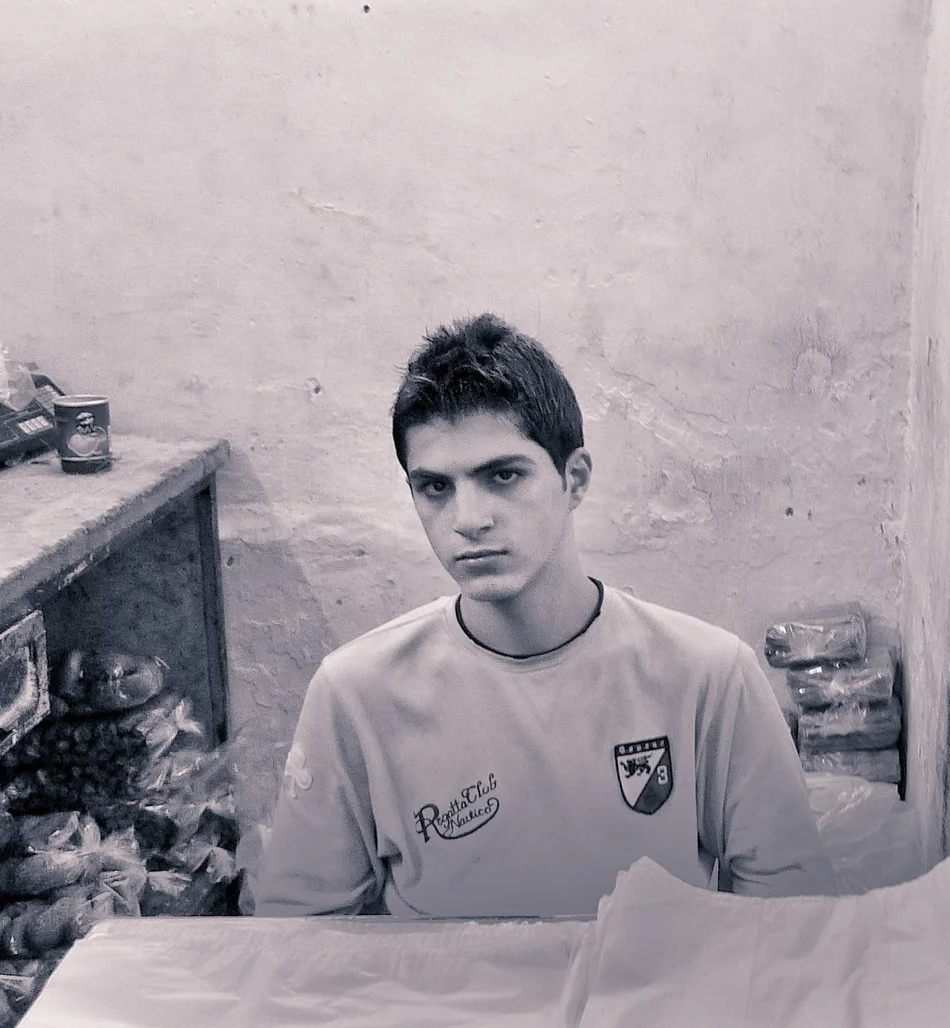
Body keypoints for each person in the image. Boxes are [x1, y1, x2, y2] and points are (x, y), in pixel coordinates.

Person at [249, 314, 832, 917]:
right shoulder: (356, 694)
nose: (468, 518)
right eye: (435, 488)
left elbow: (794, 922)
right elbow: (300, 943)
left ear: (573, 479)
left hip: (650, 1007)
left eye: (503, 476)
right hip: (449, 1011)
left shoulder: (709, 677)